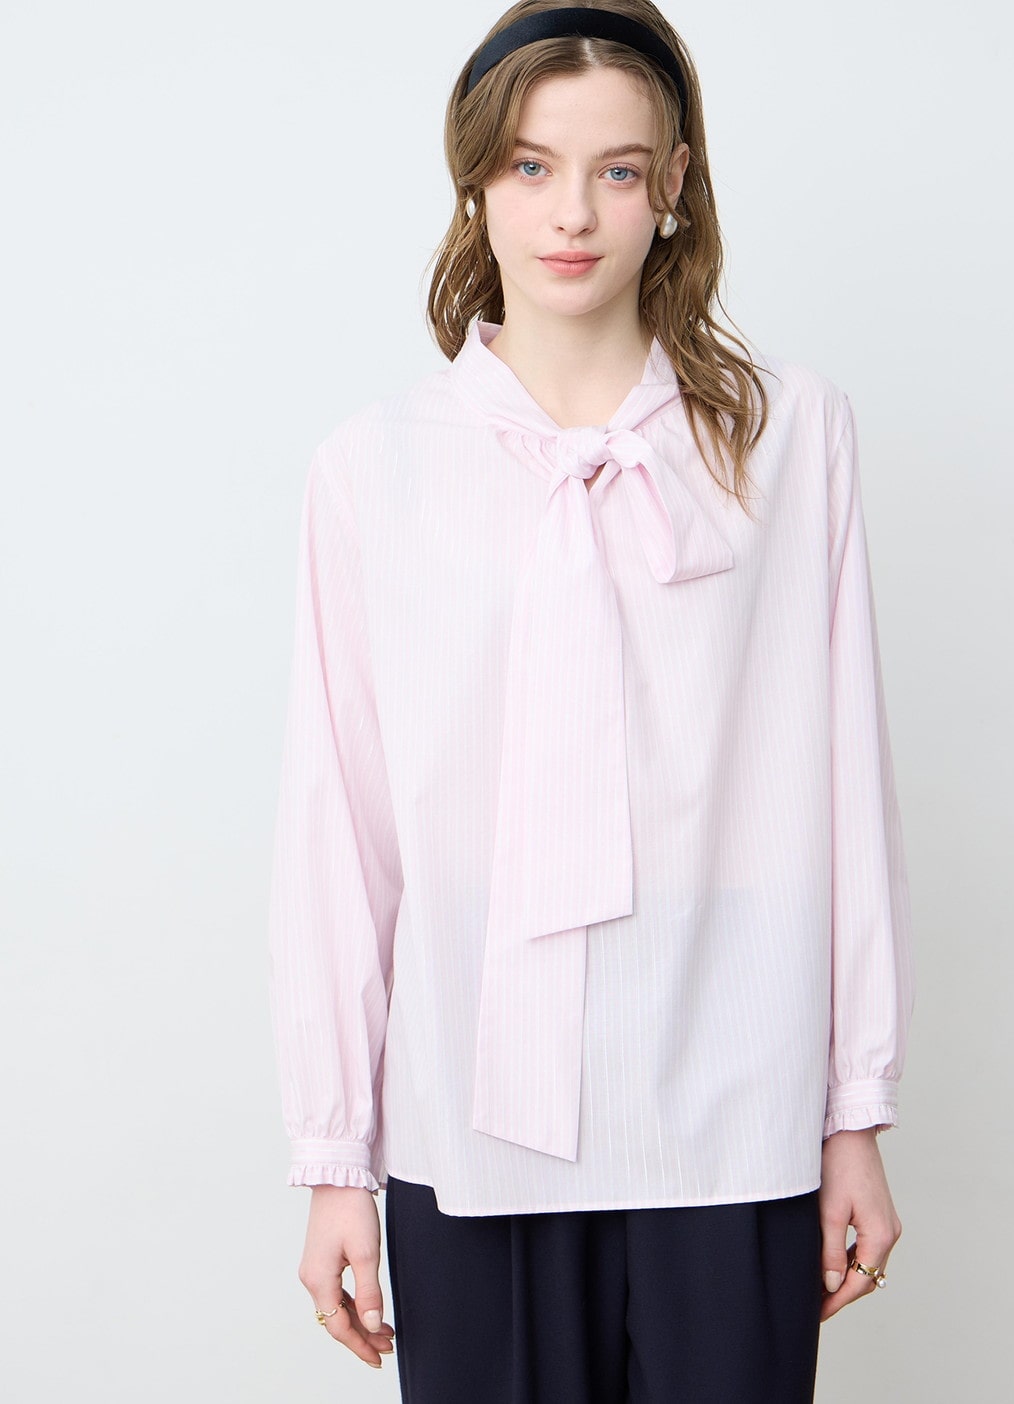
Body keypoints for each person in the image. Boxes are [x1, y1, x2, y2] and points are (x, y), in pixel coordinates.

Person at [267, 2, 915, 1400]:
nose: (572, 213)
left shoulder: (788, 434)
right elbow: (344, 826)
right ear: (475, 181)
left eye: (616, 170)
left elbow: (841, 781)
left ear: (673, 183)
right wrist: (333, 1158)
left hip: (732, 1100)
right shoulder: (374, 468)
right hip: (473, 1113)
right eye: (530, 166)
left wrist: (853, 1109)